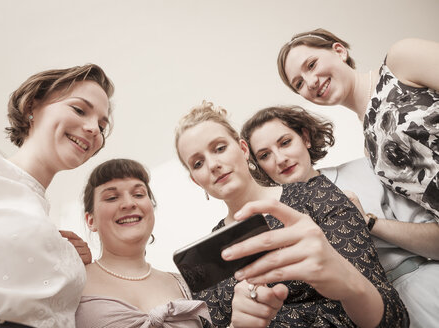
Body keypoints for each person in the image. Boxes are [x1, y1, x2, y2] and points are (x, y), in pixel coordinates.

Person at [174, 101, 408, 327]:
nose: (213, 164)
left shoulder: (315, 194)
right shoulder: (207, 255)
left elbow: (394, 318)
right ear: (196, 181)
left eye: (220, 148)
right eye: (197, 163)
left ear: (243, 149)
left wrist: (347, 281)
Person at [241, 105, 439, 327]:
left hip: (425, 292)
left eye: (285, 142)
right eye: (265, 155)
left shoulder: (366, 170)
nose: (280, 159)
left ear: (305, 137)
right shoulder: (271, 227)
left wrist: (369, 222)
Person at [0, 64, 114, 328]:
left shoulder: (62, 242)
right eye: (79, 110)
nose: (94, 128)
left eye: (102, 126)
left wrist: (70, 260)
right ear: (31, 106)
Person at [277, 28, 439, 218]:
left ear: (339, 51)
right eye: (299, 84)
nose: (310, 82)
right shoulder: (369, 152)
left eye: (312, 65)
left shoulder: (401, 61)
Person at [75, 158, 211, 327]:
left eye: (138, 194)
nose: (129, 204)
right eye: (111, 197)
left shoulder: (183, 283)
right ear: (90, 220)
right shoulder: (71, 282)